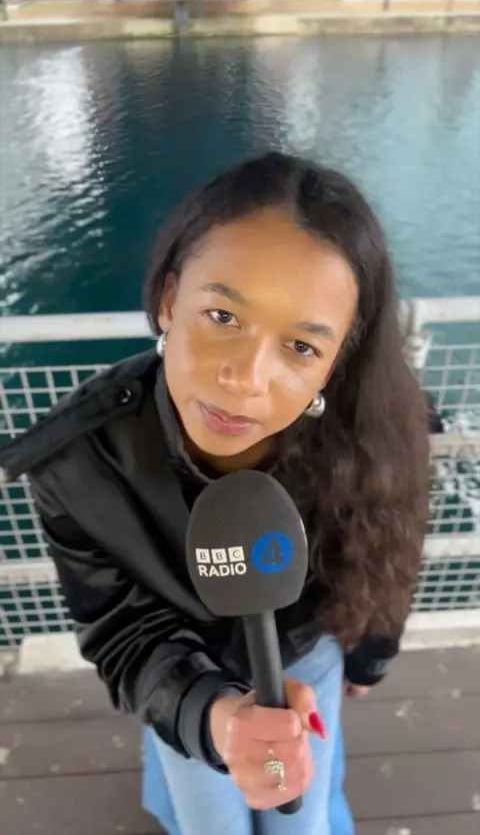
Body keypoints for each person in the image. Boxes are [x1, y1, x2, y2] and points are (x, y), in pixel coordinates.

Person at [0, 153, 430, 835]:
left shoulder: (372, 432)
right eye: (223, 315)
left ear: (336, 361)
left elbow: (386, 545)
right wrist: (209, 713)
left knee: (303, 814)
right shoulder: (80, 462)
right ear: (170, 299)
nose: (246, 377)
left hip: (305, 647)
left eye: (300, 345)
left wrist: (370, 652)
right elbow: (120, 628)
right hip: (185, 669)